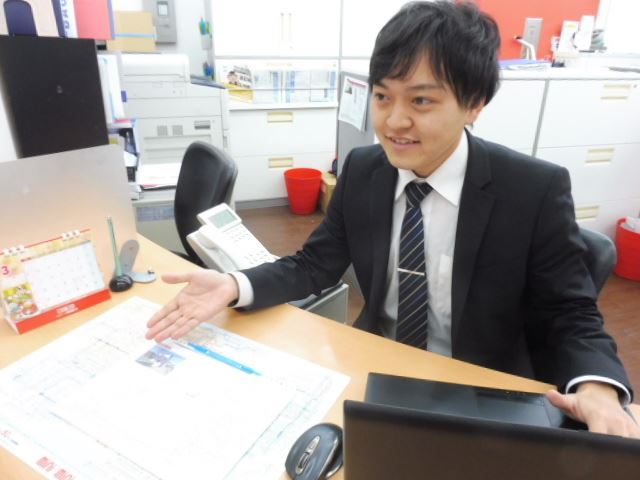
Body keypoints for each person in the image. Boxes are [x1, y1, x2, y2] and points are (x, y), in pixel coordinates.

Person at [146, 1, 639, 438]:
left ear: (474, 104)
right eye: (383, 96)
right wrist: (234, 284)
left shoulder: (532, 190)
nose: (394, 121)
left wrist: (599, 388)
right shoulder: (364, 170)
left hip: (479, 391)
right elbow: (314, 265)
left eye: (421, 100)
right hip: (378, 366)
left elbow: (570, 312)